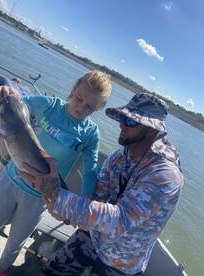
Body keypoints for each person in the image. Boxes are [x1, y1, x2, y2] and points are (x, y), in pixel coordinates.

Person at [20, 93, 184, 276]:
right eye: (123, 118)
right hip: (94, 236)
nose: (121, 124)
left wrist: (57, 197)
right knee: (53, 271)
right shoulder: (120, 156)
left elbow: (119, 220)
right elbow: (98, 195)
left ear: (152, 131)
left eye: (130, 122)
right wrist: (67, 208)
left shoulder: (165, 176)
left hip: (122, 260)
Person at [0, 70, 112, 276]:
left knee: (15, 243)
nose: (80, 107)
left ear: (99, 108)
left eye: (89, 106)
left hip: (41, 196)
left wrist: (83, 205)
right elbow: (19, 102)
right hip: (10, 178)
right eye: (79, 98)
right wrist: (6, 90)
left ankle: (1, 269)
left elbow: (90, 171)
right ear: (74, 88)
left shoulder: (90, 133)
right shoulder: (49, 105)